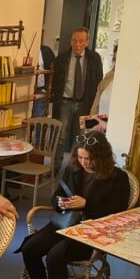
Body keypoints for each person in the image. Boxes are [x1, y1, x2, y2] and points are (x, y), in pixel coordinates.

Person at [19, 131, 129, 279]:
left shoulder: (118, 178)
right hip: (65, 222)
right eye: (80, 157)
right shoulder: (73, 170)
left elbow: (117, 213)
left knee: (55, 255)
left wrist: (86, 204)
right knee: (30, 247)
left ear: (101, 157)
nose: (84, 162)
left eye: (88, 158)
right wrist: (60, 203)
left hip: (92, 233)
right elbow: (56, 196)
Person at [51, 27, 103, 171]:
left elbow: (98, 81)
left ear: (87, 42)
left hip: (84, 104)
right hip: (64, 103)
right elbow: (55, 82)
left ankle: (76, 168)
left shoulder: (94, 59)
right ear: (70, 41)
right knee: (60, 136)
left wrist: (95, 105)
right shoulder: (62, 59)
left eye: (81, 41)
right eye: (74, 40)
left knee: (80, 137)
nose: (77, 44)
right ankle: (55, 167)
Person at [87, 44, 118, 133]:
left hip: (116, 131)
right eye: (115, 59)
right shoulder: (108, 77)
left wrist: (107, 125)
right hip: (100, 128)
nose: (117, 63)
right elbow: (95, 106)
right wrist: (90, 126)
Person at [32, 44, 56, 118]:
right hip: (28, 90)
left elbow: (53, 70)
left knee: (38, 117)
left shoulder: (46, 51)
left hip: (41, 90)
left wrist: (47, 89)